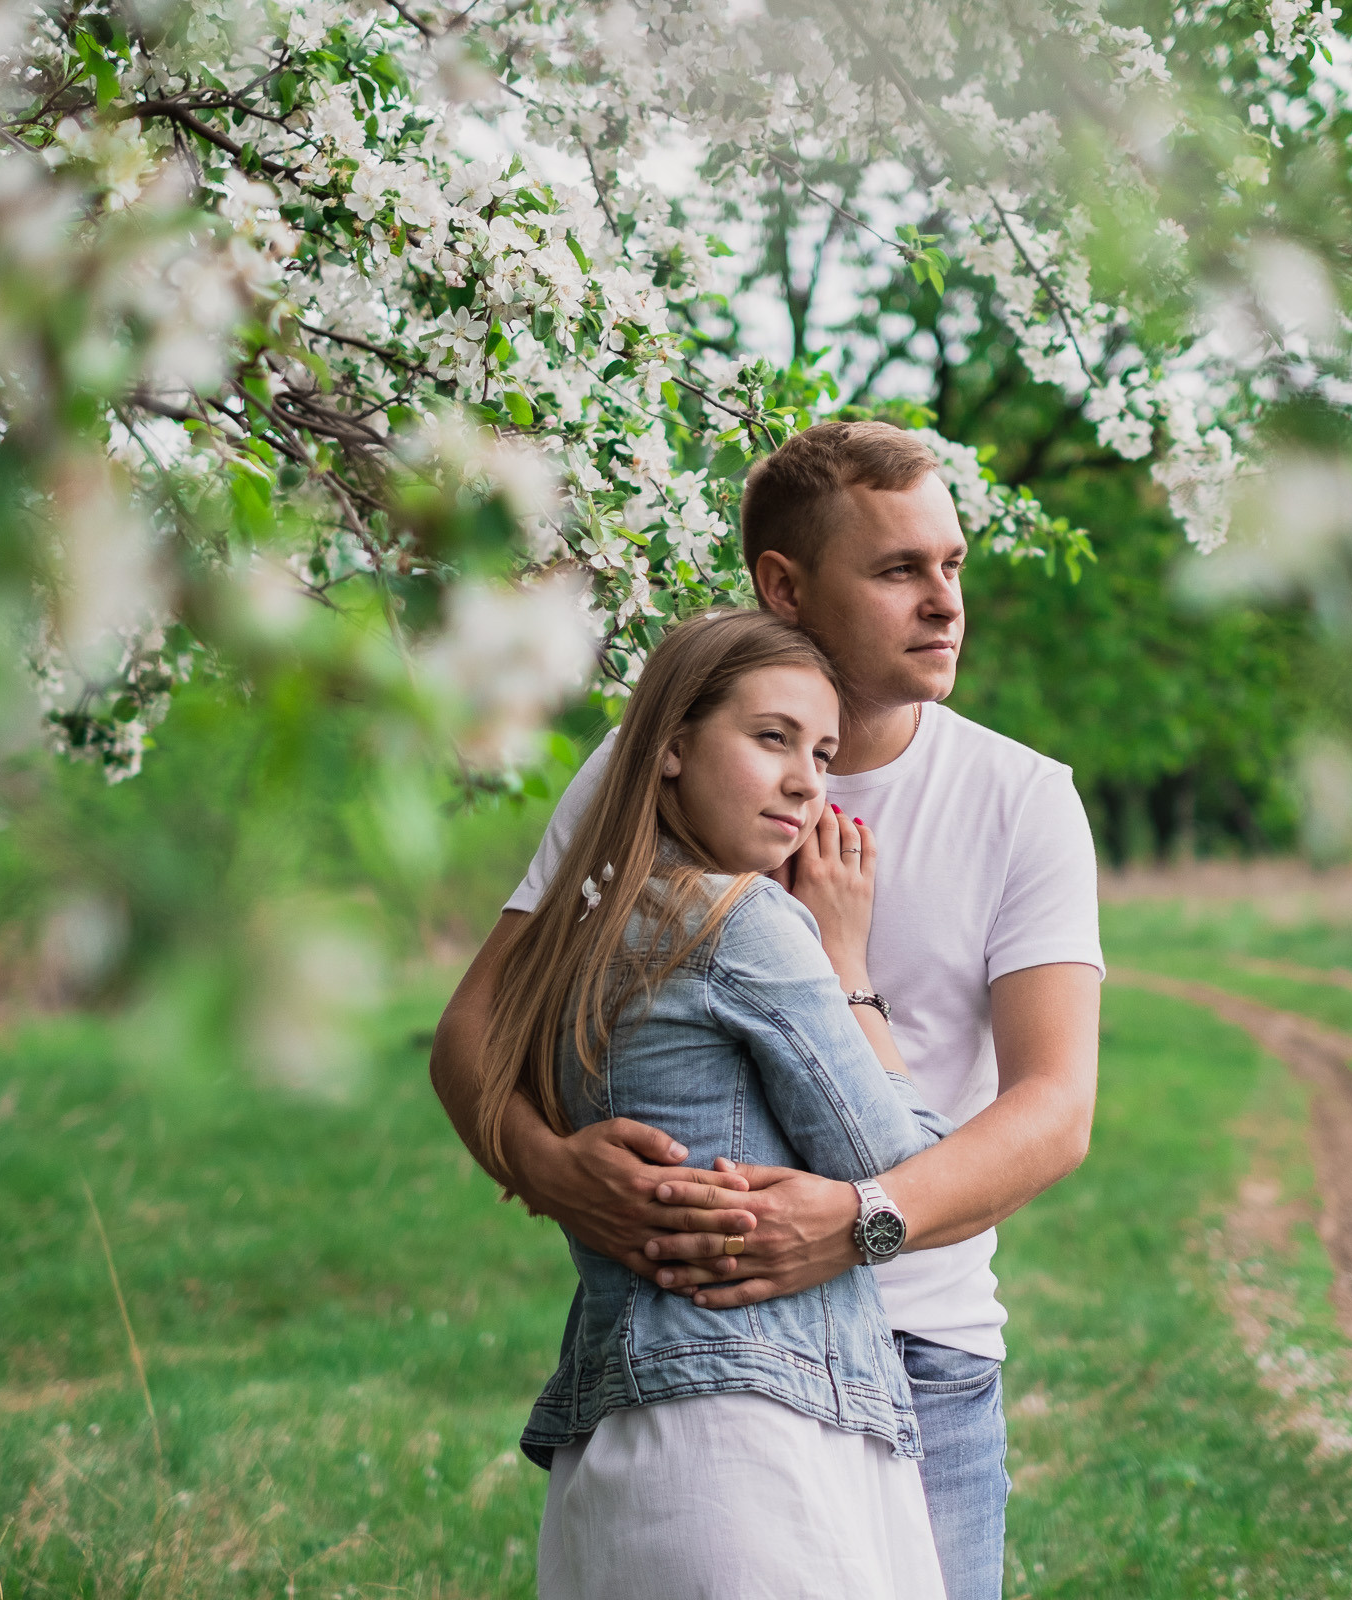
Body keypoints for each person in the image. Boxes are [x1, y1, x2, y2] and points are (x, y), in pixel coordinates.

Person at [432, 420, 1103, 1600]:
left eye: (952, 564)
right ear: (784, 586)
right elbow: (475, 1030)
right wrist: (551, 1169)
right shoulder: (662, 758)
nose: (945, 602)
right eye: (898, 569)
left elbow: (1055, 1110)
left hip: (925, 1350)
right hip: (705, 1350)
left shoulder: (1020, 798)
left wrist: (857, 1223)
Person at [480, 608, 950, 1598]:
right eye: (772, 737)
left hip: (618, 1430)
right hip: (749, 1437)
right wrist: (849, 964)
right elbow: (902, 1164)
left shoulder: (587, 928)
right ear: (671, 747)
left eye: (822, 754)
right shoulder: (742, 920)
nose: (806, 782)